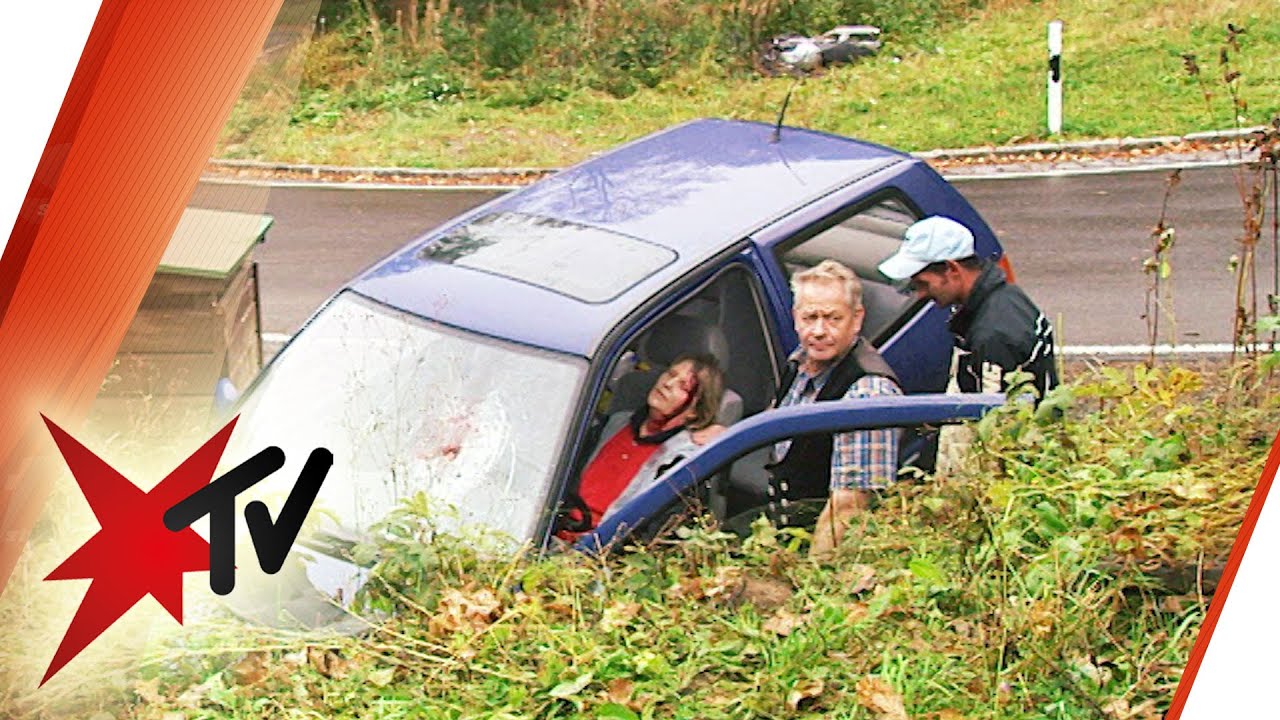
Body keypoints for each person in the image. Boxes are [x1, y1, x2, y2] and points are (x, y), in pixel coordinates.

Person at [763, 260, 902, 557]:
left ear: (857, 319)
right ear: (795, 318)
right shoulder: (798, 363)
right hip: (787, 541)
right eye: (810, 317)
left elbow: (850, 508)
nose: (819, 330)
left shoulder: (867, 393)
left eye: (833, 318)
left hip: (825, 559)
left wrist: (811, 585)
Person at [878, 215, 1058, 399]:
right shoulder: (1006, 295)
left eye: (923, 284)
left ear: (952, 269)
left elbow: (996, 419)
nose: (921, 294)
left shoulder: (993, 335)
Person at [558, 353, 725, 537]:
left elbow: (655, 536)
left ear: (695, 411)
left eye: (683, 386)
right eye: (670, 374)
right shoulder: (612, 424)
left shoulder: (683, 462)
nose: (668, 384)